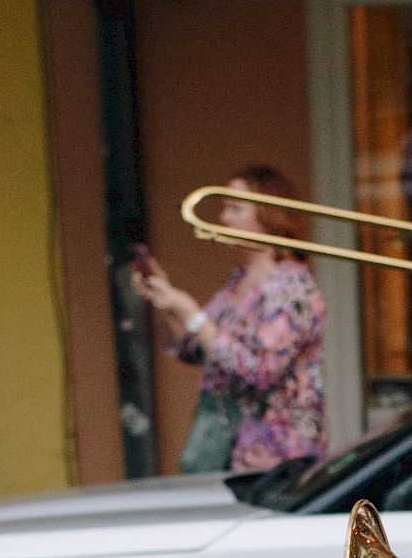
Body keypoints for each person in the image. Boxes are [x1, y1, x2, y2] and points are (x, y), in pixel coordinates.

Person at [130, 166, 326, 479]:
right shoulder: (238, 282)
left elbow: (257, 369)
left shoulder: (291, 287)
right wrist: (167, 304)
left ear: (268, 215)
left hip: (274, 459)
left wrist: (191, 312)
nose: (223, 218)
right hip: (228, 450)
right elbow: (195, 349)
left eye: (235, 208)